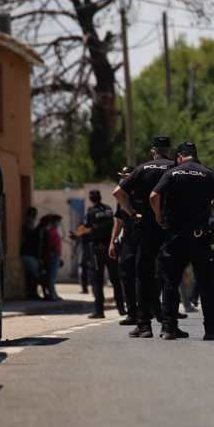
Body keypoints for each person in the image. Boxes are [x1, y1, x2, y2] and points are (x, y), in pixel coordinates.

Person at [150, 141, 214, 341]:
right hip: (199, 236)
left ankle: (169, 328)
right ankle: (211, 329)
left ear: (179, 157)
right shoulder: (209, 173)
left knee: (170, 282)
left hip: (175, 235)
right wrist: (209, 207)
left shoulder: (172, 173)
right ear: (195, 155)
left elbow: (153, 196)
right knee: (206, 283)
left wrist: (159, 217)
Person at [114, 136, 175, 338]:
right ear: (168, 150)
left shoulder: (142, 169)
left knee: (143, 273)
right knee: (169, 275)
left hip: (146, 227)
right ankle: (169, 325)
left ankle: (144, 325)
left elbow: (118, 192)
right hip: (170, 227)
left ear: (153, 151)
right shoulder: (175, 168)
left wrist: (132, 213)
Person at [82, 190, 125, 319]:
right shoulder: (108, 209)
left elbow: (87, 227)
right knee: (116, 280)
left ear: (91, 198)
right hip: (110, 248)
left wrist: (77, 234)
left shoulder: (91, 211)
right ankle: (121, 308)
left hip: (97, 249)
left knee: (97, 281)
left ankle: (99, 311)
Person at [110, 166, 138, 326]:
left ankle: (150, 310)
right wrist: (112, 242)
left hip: (143, 237)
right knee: (126, 276)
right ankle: (132, 313)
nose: (123, 179)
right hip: (127, 240)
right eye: (122, 176)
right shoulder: (122, 198)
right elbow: (118, 221)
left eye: (126, 176)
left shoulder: (141, 192)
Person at [21, 207, 42, 300]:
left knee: (33, 276)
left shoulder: (31, 224)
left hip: (31, 254)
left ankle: (33, 293)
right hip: (28, 253)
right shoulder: (27, 225)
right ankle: (32, 294)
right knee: (34, 276)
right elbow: (31, 236)